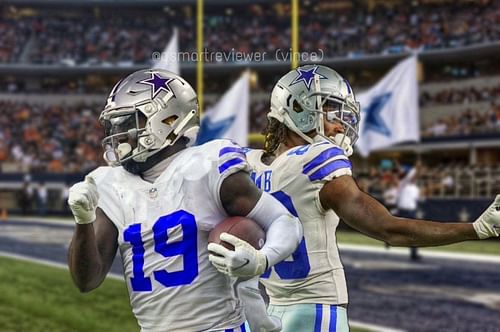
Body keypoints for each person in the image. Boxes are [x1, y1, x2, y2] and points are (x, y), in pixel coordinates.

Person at [223, 64, 500, 332]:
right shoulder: (317, 159)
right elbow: (388, 229)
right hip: (317, 313)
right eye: (331, 113)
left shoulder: (248, 167)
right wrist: (474, 229)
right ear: (299, 110)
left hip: (271, 311)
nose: (340, 126)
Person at [67, 68, 303, 332]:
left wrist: (262, 259)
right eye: (115, 126)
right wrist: (84, 221)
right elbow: (86, 281)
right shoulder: (110, 185)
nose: (119, 135)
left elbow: (284, 221)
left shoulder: (206, 167)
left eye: (129, 123)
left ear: (168, 119)